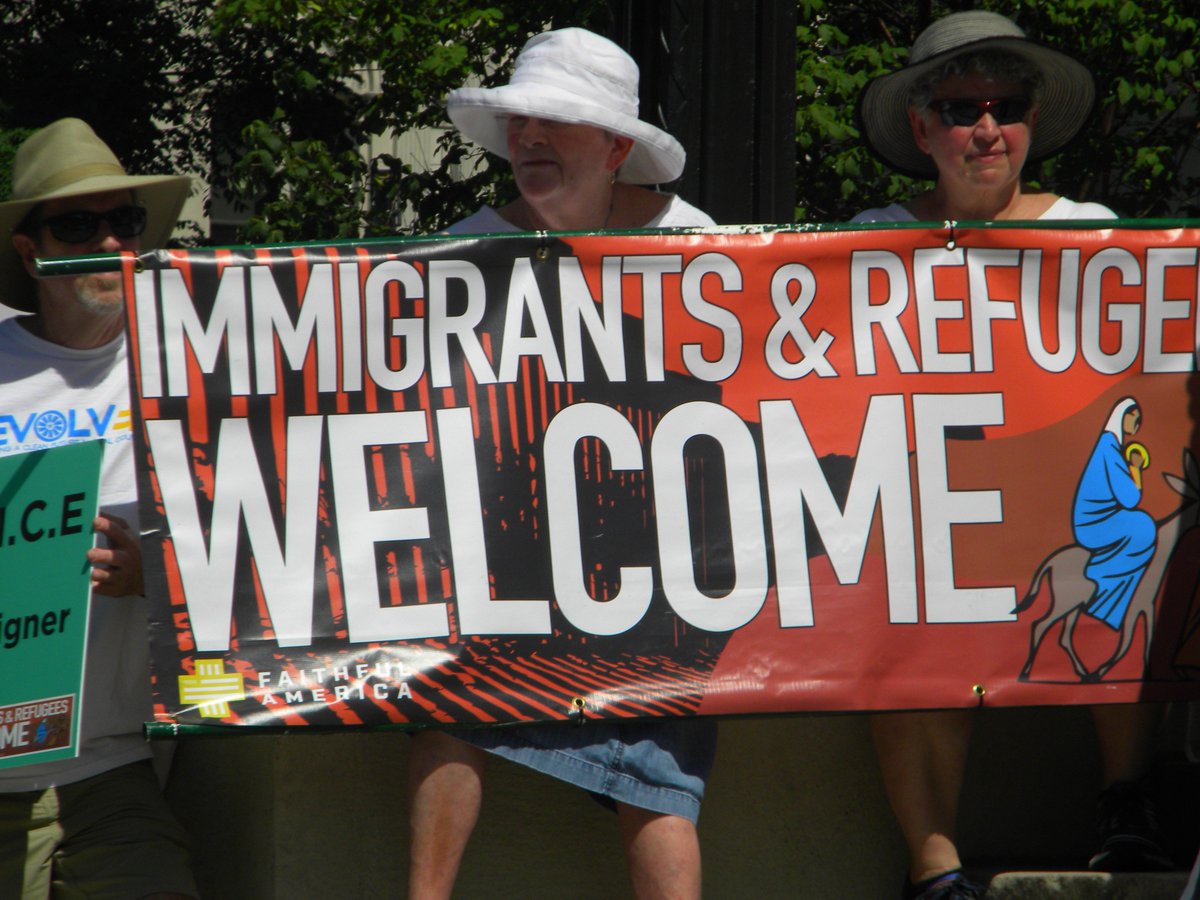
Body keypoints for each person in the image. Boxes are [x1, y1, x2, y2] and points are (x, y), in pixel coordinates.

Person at [854, 11, 1170, 898]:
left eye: (1005, 105)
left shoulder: (1094, 231)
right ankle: (934, 864)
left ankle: (1127, 804)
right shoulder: (870, 236)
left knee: (1135, 542)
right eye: (959, 108)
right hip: (939, 505)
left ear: (1031, 121)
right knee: (897, 583)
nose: (985, 128)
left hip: (1060, 493)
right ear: (922, 131)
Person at [406, 27, 717, 900]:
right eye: (520, 121)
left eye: (556, 120)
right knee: (444, 694)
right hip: (504, 568)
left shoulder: (702, 252)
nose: (529, 138)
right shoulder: (456, 255)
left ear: (617, 147)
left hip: (653, 579)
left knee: (661, 766)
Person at [0, 118, 198, 899]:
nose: (110, 242)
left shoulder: (190, 365)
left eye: (124, 221)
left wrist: (158, 575)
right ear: (30, 248)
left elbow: (264, 542)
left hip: (111, 764)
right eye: (78, 223)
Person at [1073, 398, 1156, 629]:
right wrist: (1136, 468)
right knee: (1143, 526)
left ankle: (1107, 603)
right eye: (1134, 418)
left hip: (1103, 519)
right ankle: (1101, 596)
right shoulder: (1109, 448)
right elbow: (1130, 499)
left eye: (1139, 422)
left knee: (1143, 527)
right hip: (1094, 524)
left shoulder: (1110, 446)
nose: (1136, 426)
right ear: (1123, 416)